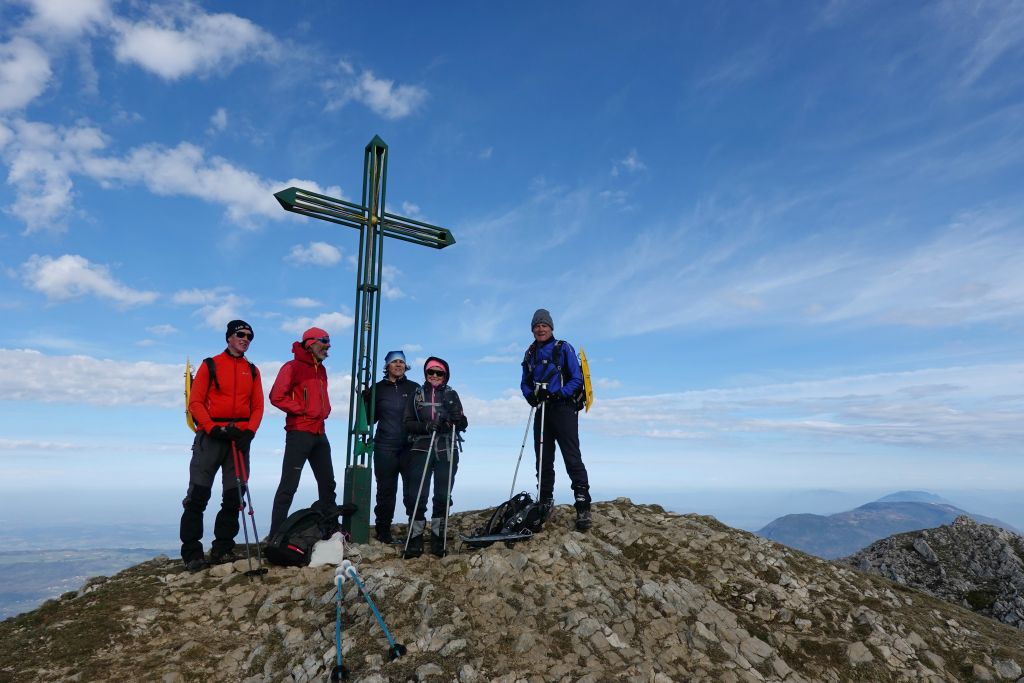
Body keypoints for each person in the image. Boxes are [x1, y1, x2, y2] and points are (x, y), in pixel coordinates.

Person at [180, 320, 265, 572]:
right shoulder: (210, 365)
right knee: (198, 496)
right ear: (229, 337)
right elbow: (195, 402)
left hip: (238, 438)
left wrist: (249, 432)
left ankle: (222, 548)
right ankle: (192, 554)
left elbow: (258, 405)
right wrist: (211, 427)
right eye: (240, 334)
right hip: (211, 436)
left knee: (233, 496)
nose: (245, 339)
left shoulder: (252, 370)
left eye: (250, 336)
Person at [521, 308, 592, 531]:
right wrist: (530, 396)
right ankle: (544, 501)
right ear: (532, 329)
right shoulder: (530, 353)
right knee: (543, 457)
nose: (540, 329)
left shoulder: (563, 348)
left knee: (571, 456)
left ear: (551, 328)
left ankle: (582, 504)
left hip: (563, 408)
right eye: (537, 325)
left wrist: (556, 394)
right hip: (542, 409)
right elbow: (524, 382)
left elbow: (577, 379)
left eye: (544, 325)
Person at [267, 327, 339, 539]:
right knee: (289, 485)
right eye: (324, 341)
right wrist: (303, 409)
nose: (328, 345)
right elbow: (276, 396)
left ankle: (331, 531)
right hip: (299, 432)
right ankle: (276, 536)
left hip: (319, 432)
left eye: (329, 341)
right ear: (310, 343)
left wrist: (323, 411)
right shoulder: (292, 367)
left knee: (328, 483)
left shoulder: (322, 369)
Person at [402, 357, 468, 558]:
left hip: (446, 448)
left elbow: (463, 422)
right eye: (431, 372)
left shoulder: (451, 394)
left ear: (445, 375)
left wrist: (456, 421)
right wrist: (426, 426)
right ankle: (415, 538)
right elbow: (407, 422)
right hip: (421, 447)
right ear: (425, 374)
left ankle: (439, 537)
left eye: (439, 373)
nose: (435, 376)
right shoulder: (417, 395)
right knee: (416, 495)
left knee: (442, 494)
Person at [364, 350, 419, 544]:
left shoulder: (414, 388)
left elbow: (423, 414)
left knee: (413, 492)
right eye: (394, 362)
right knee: (386, 491)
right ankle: (383, 531)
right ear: (387, 366)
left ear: (406, 366)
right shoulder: (377, 388)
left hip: (410, 447)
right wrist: (366, 400)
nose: (398, 365)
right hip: (384, 447)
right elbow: (370, 421)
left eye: (401, 362)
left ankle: (415, 531)